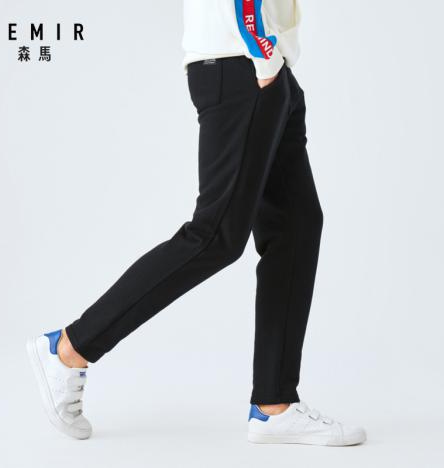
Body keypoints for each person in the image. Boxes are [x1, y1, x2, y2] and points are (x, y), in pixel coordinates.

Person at [27, 0, 366, 446]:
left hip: (264, 66)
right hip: (246, 62)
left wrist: (274, 62)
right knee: (214, 235)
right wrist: (262, 51)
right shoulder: (253, 56)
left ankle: (274, 406)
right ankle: (69, 348)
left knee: (296, 226)